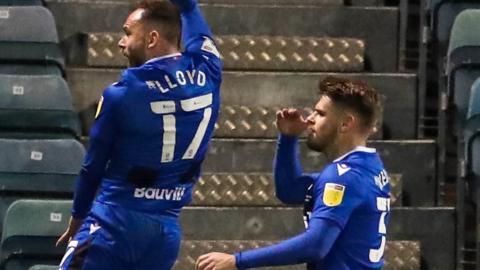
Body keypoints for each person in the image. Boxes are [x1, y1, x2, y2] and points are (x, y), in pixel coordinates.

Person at [56, 0, 222, 269]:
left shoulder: (122, 93)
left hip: (113, 225)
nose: (121, 43)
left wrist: (77, 218)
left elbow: (92, 167)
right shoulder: (209, 69)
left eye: (128, 33)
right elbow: (190, 9)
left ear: (152, 38)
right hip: (164, 236)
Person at [196, 77, 390, 270]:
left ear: (345, 124)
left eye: (320, 114)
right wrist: (288, 138)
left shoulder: (344, 176)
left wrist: (237, 261)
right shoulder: (369, 168)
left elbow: (315, 245)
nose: (310, 118)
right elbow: (289, 189)